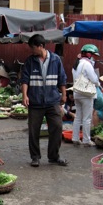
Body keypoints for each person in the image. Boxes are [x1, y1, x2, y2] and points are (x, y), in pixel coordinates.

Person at [20, 33, 68, 167]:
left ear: (40, 46)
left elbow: (62, 78)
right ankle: (35, 157)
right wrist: (25, 95)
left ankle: (54, 156)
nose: (31, 51)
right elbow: (25, 79)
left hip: (53, 101)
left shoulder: (56, 60)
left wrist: (63, 95)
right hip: (35, 102)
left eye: (33, 48)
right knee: (33, 130)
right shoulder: (30, 61)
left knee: (57, 127)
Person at [71, 44, 101, 147]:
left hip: (77, 93)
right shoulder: (87, 64)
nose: (94, 57)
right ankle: (86, 140)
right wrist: (98, 84)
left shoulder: (76, 64)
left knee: (78, 116)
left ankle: (75, 138)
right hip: (86, 94)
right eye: (93, 55)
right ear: (89, 54)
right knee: (87, 118)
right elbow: (94, 79)